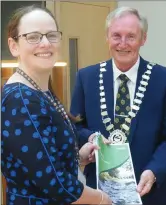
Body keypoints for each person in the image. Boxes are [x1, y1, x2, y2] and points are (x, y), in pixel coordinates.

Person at [70, 6, 166, 205]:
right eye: (116, 35)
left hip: (152, 192)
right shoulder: (86, 77)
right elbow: (76, 126)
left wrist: (154, 171)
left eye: (131, 36)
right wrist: (89, 138)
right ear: (107, 37)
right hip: (100, 194)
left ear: (143, 39)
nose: (123, 44)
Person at [1, 5, 112, 205]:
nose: (45, 43)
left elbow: (42, 161)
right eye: (33, 37)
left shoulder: (39, 90)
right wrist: (104, 199)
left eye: (51, 35)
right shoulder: (21, 100)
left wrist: (78, 158)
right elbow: (56, 184)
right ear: (14, 45)